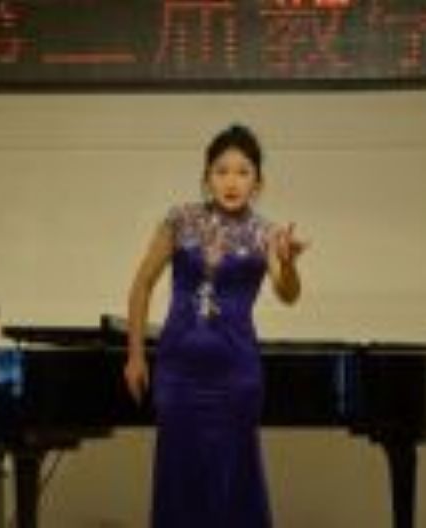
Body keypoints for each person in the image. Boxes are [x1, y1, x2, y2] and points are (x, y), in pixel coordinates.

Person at [124, 124, 306, 527]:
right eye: (222, 171)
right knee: (178, 479)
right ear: (207, 178)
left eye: (243, 172)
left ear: (258, 182)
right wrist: (135, 356)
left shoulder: (266, 234)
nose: (231, 181)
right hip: (177, 373)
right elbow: (141, 286)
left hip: (236, 377)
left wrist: (289, 263)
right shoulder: (179, 219)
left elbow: (288, 293)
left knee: (234, 480)